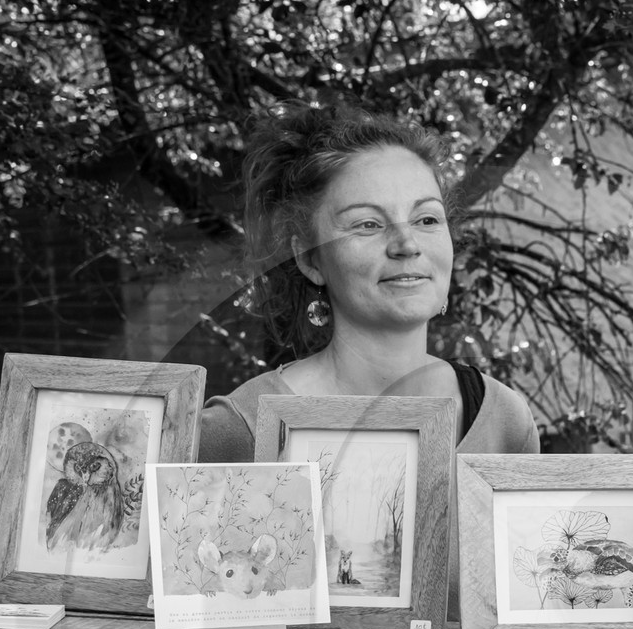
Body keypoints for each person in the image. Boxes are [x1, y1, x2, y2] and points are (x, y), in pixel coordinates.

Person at [196, 104, 539, 461]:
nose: (407, 245)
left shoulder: (505, 422)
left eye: (426, 219)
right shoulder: (239, 430)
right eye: (368, 225)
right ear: (310, 259)